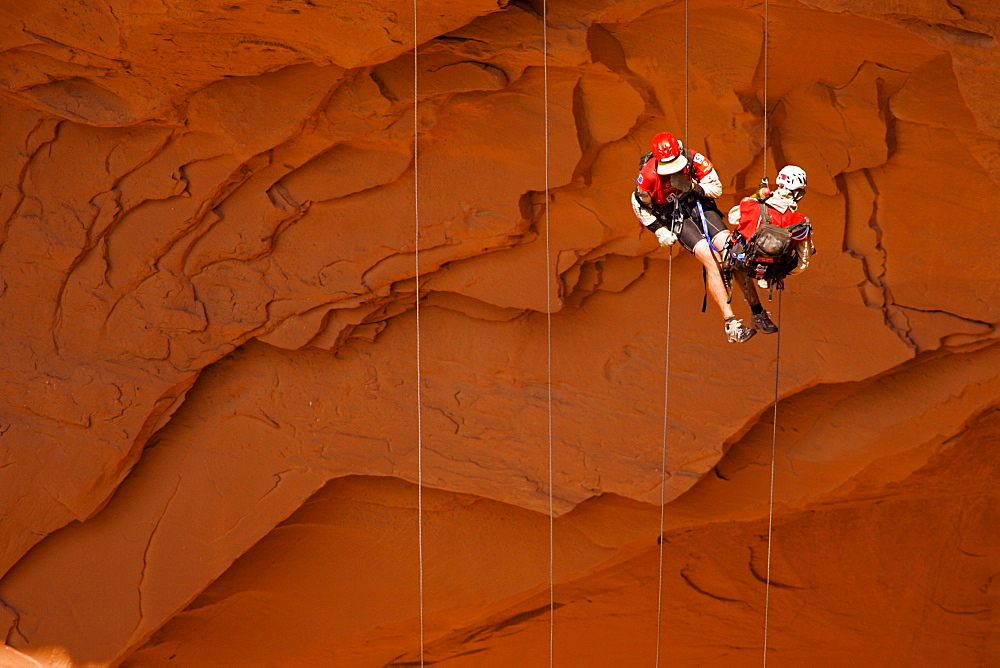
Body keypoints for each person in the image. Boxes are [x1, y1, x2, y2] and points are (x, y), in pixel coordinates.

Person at [631, 131, 756, 343]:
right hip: (673, 214)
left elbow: (716, 189)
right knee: (711, 260)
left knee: (730, 250)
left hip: (698, 203)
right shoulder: (648, 175)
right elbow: (638, 204)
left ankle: (757, 310)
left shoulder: (692, 159)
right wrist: (658, 229)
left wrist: (692, 187)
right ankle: (731, 324)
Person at [725, 165, 814, 335]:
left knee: (727, 245)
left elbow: (732, 217)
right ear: (798, 194)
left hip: (744, 263)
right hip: (773, 272)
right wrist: (779, 270)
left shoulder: (752, 205)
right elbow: (802, 264)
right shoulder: (800, 222)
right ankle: (764, 285)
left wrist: (758, 197)